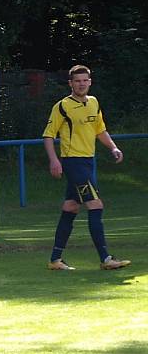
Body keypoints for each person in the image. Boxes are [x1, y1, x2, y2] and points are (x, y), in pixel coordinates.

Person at [43, 65, 131, 271]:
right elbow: (48, 135)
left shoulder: (94, 103)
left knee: (71, 207)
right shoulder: (62, 106)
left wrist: (113, 147)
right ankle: (106, 258)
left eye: (85, 80)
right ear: (70, 84)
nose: (81, 84)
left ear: (90, 82)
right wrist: (54, 160)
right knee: (95, 204)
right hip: (73, 162)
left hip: (89, 162)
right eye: (77, 81)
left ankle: (55, 260)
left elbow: (100, 130)